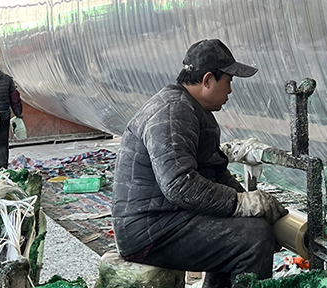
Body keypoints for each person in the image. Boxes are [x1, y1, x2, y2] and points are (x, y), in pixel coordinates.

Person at [112, 39, 287, 288]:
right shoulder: (173, 112)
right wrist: (240, 203)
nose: (230, 91)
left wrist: (253, 204)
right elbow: (179, 185)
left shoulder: (192, 110)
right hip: (148, 231)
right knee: (254, 239)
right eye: (228, 81)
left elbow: (213, 172)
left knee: (246, 228)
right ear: (208, 80)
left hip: (165, 218)